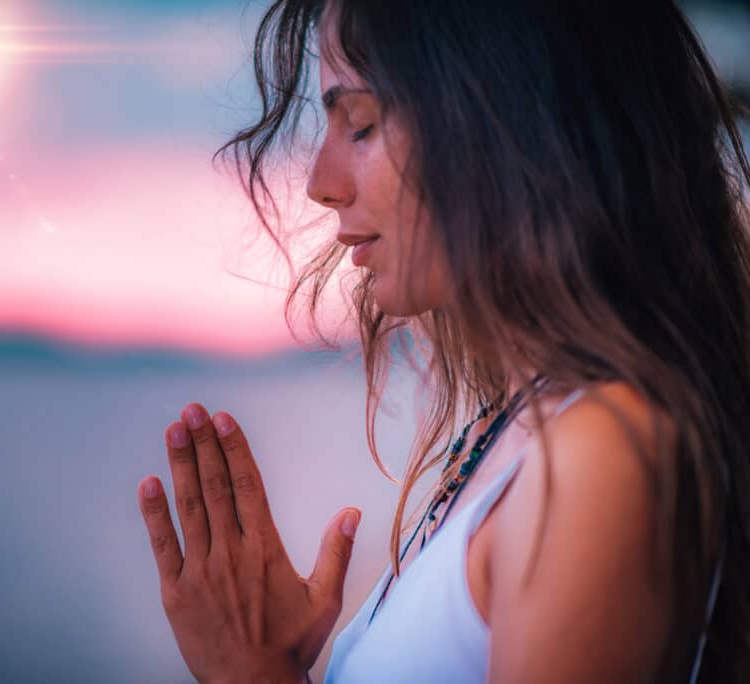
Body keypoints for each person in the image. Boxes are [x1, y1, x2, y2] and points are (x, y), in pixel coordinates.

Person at [136, 1, 750, 682]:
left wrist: (249, 675)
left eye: (361, 124)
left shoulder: (600, 454)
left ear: (508, 122)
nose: (320, 184)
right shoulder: (524, 427)